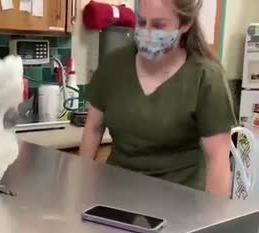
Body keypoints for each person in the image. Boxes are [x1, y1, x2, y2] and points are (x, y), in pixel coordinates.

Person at [80, 0, 235, 197]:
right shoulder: (113, 66)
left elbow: (218, 162)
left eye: (159, 25)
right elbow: (93, 129)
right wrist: (82, 188)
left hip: (181, 205)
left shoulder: (206, 78)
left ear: (185, 25)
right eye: (142, 22)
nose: (148, 32)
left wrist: (213, 222)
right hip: (115, 197)